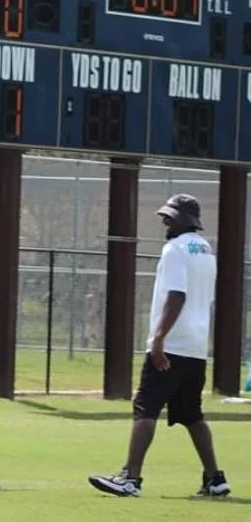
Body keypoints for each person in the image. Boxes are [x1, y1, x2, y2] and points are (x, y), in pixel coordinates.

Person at [88, 194, 231, 498]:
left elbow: (176, 295)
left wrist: (158, 339)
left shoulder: (174, 250)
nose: (165, 221)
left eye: (169, 217)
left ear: (182, 221)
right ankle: (215, 478)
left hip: (172, 344)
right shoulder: (206, 250)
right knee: (192, 414)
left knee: (145, 408)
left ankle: (130, 478)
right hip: (195, 346)